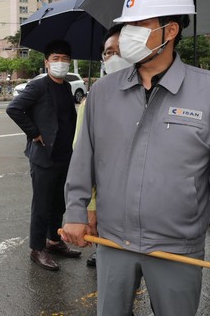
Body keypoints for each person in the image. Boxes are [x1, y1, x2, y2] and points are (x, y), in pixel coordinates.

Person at [62, 0, 210, 316]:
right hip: (112, 241)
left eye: (140, 23)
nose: (128, 33)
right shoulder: (103, 92)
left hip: (177, 246)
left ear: (172, 30)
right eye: (127, 23)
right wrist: (76, 211)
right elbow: (83, 160)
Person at [6, 40, 81, 271]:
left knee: (58, 202)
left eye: (65, 59)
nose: (61, 63)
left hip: (63, 155)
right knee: (41, 204)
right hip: (44, 156)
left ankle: (53, 241)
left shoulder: (67, 86)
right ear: (46, 62)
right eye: (56, 58)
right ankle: (37, 248)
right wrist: (34, 132)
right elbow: (14, 108)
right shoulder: (39, 86)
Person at [84, 23, 129, 268]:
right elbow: (83, 161)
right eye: (108, 52)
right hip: (110, 211)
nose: (113, 57)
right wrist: (90, 208)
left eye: (120, 50)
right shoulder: (94, 99)